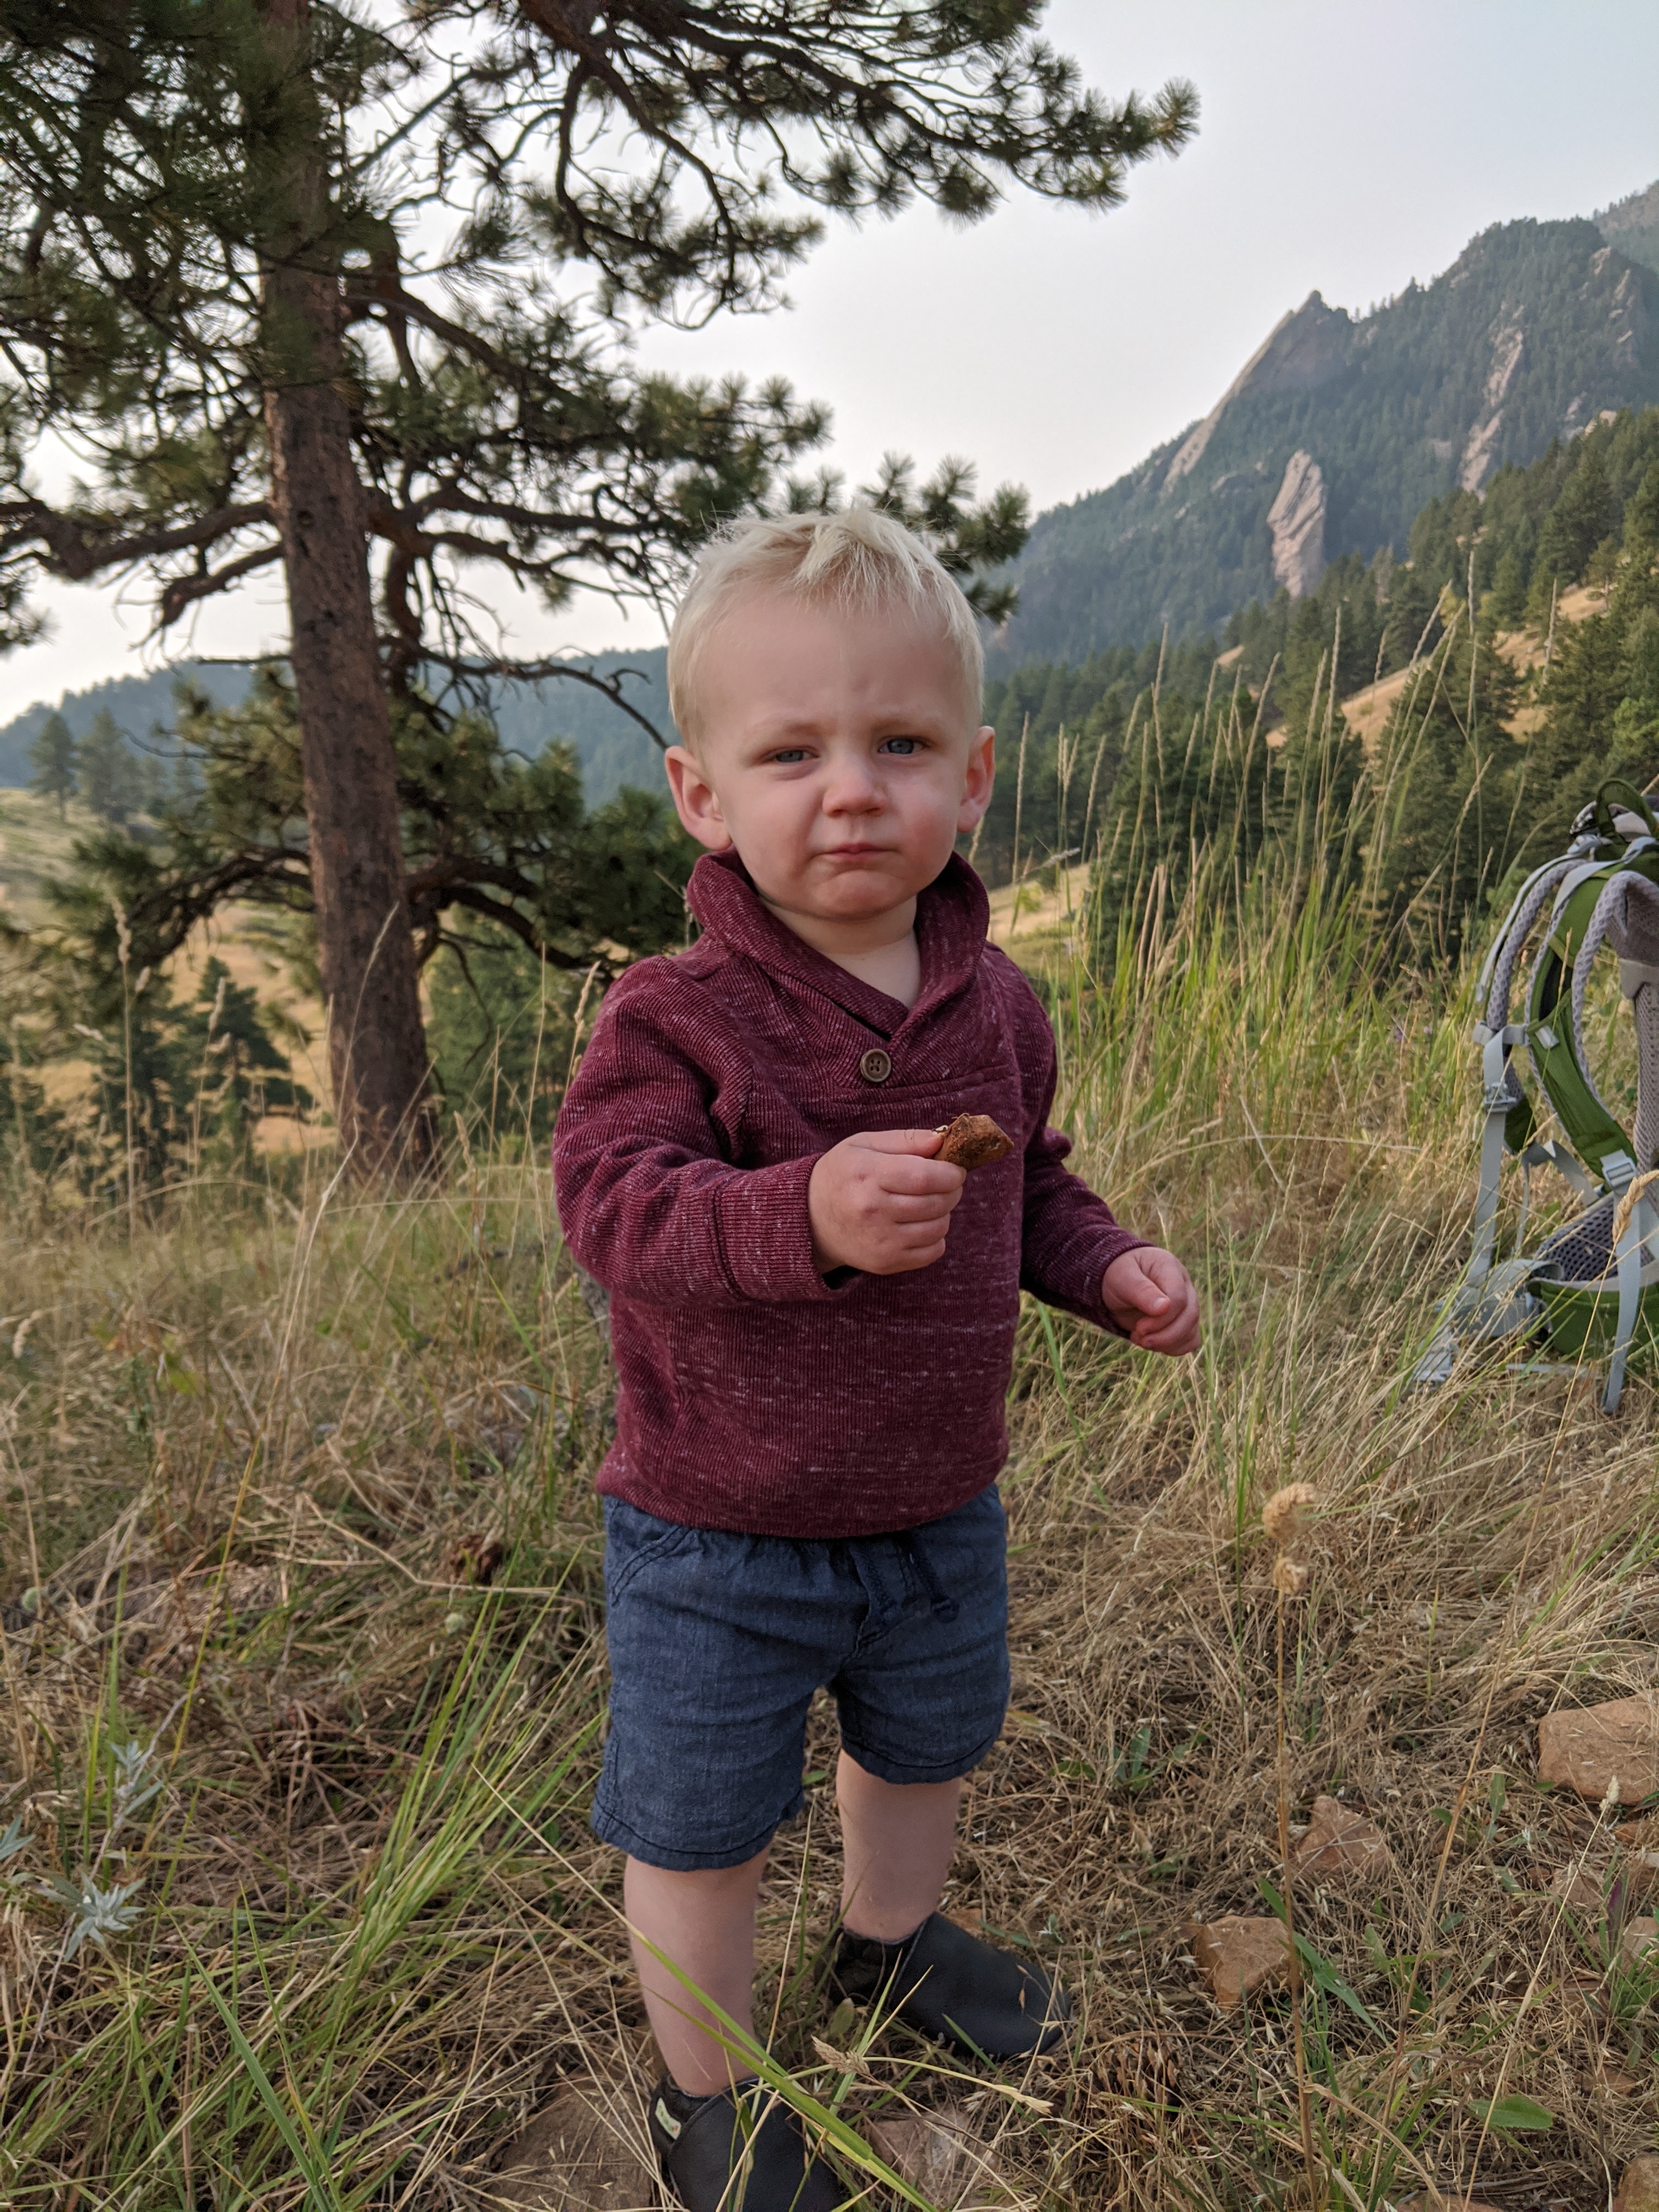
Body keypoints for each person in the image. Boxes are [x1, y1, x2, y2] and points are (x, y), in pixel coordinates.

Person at [552, 507, 1200, 2211]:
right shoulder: (673, 1017)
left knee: (924, 1751)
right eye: (793, 752)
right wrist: (802, 1218)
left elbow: (1031, 1183)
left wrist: (1108, 1263)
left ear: (972, 778)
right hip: (716, 1530)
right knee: (699, 1827)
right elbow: (616, 1210)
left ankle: (892, 1949)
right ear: (704, 793)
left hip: (935, 1506)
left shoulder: (1001, 1009)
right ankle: (711, 2103)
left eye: (898, 744)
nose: (852, 789)